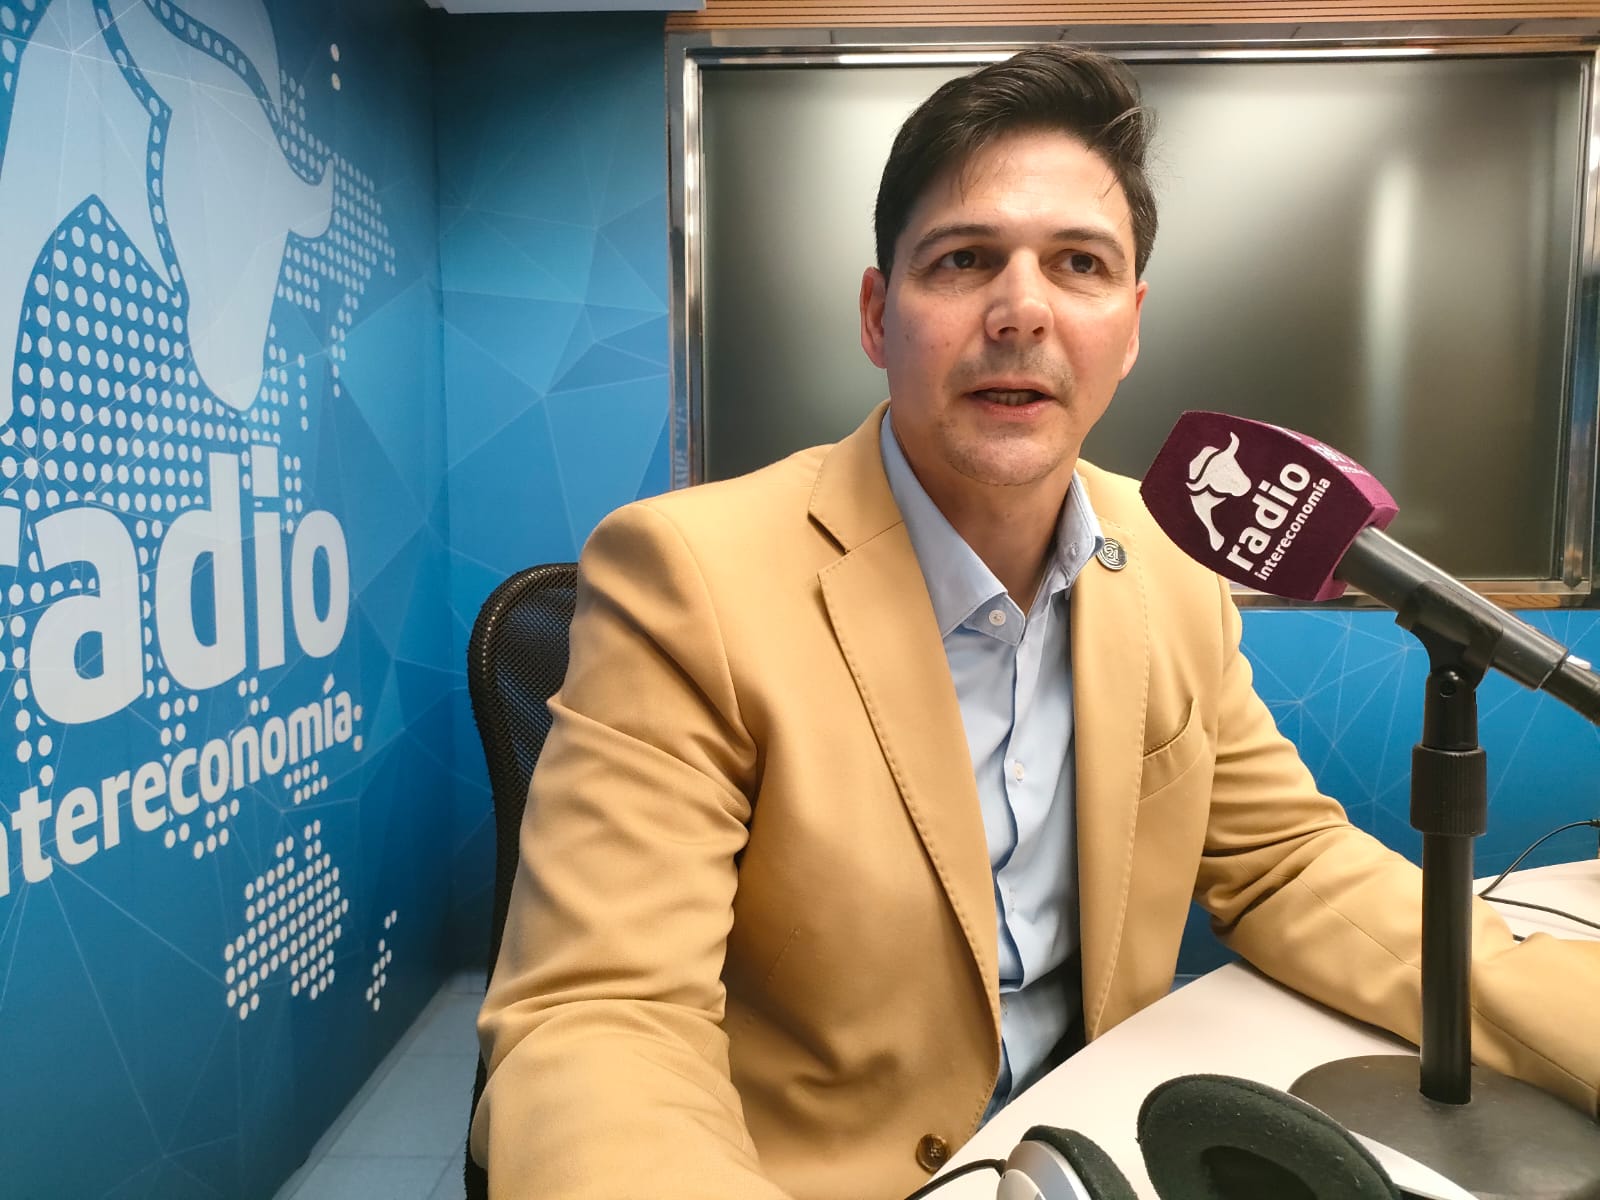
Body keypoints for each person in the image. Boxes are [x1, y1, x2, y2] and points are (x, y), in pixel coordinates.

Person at [471, 46, 1599, 1200]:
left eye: (1079, 264)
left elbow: (1287, 865)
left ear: (1131, 325)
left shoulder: (1168, 559)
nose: (1021, 311)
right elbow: (602, 1018)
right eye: (964, 260)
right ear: (878, 315)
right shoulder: (689, 578)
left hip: (1093, 1145)